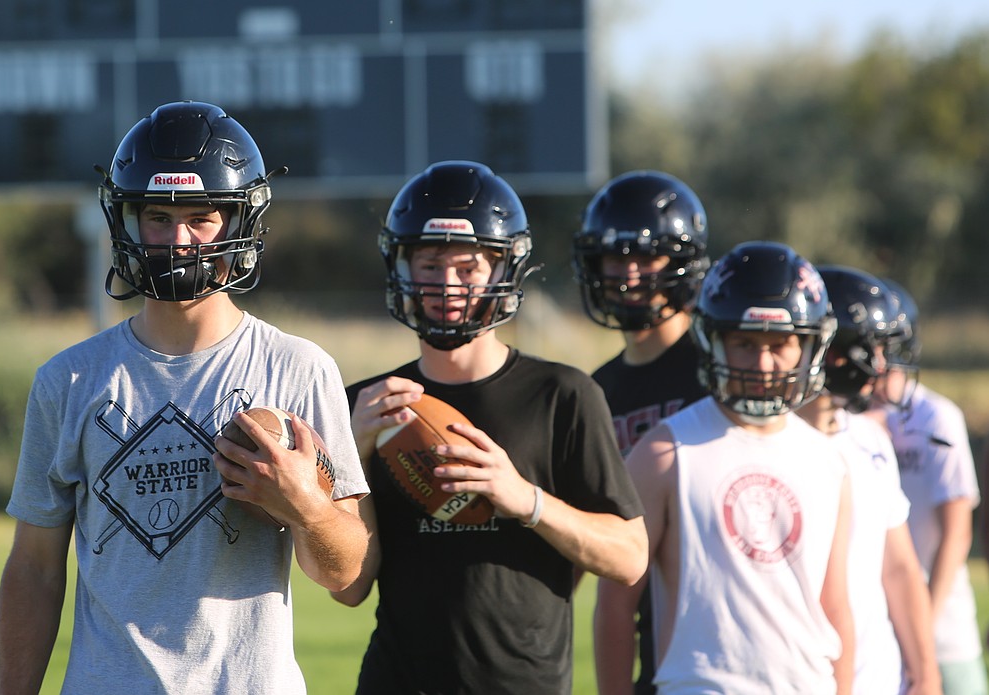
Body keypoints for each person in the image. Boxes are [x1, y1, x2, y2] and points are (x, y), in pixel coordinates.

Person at [0, 101, 370, 695]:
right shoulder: (68, 380)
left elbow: (345, 574)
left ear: (241, 220)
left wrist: (307, 507)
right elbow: (35, 569)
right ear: (126, 222)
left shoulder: (298, 369)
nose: (179, 239)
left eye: (202, 216)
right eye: (158, 217)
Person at [332, 160, 648, 694]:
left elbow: (629, 556)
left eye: (468, 267)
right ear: (401, 269)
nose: (447, 285)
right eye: (429, 264)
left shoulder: (563, 395)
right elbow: (347, 589)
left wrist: (525, 499)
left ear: (503, 271)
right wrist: (352, 454)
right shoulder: (364, 405)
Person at [596, 241, 855, 693]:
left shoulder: (829, 460)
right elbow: (616, 603)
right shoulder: (666, 450)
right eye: (743, 342)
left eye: (781, 343)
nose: (763, 362)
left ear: (811, 345)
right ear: (712, 340)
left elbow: (835, 608)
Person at [572, 170, 710, 694]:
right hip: (645, 627)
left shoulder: (720, 371)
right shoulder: (595, 390)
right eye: (614, 257)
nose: (627, 274)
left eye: (644, 256)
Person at [800, 265, 939, 694]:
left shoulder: (869, 438)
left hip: (879, 678)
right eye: (868, 350)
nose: (880, 367)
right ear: (829, 348)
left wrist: (926, 673)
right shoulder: (774, 446)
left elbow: (899, 568)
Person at [875, 279, 988, 695]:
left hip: (941, 630)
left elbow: (957, 533)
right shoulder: (845, 424)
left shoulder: (935, 417)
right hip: (876, 628)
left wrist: (922, 622)